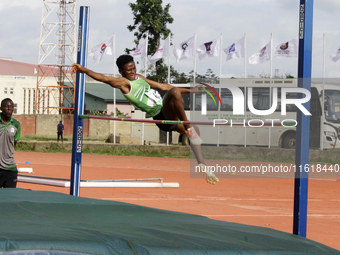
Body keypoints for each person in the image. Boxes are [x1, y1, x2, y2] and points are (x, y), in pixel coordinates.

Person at [72, 55, 219, 185]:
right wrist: (84, 70)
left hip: (167, 110)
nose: (133, 72)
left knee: (193, 124)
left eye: (134, 68)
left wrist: (191, 91)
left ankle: (202, 165)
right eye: (129, 70)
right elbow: (104, 78)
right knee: (174, 93)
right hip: (160, 115)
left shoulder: (139, 78)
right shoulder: (124, 83)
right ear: (121, 72)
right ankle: (188, 128)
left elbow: (162, 86)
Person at [0, 98, 21, 188]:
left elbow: (14, 144)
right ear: (1, 108)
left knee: (10, 198)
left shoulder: (16, 124)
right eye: (6, 106)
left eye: (11, 107)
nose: (9, 109)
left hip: (10, 169)